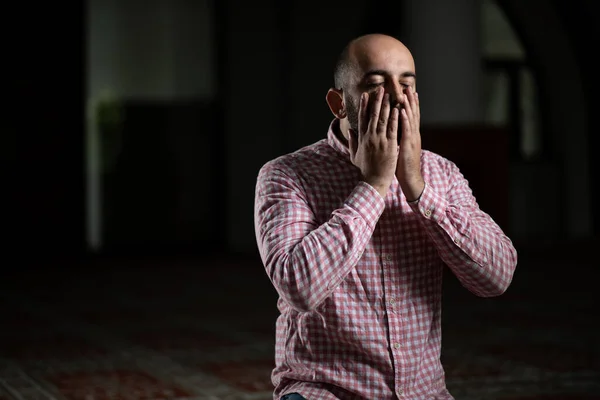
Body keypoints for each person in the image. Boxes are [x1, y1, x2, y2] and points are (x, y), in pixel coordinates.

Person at [254, 33, 518, 400]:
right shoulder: (287, 175)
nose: (395, 96)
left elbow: (498, 277)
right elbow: (299, 287)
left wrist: (418, 188)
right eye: (376, 84)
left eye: (406, 84)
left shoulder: (441, 173)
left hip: (423, 392)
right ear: (339, 104)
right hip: (323, 390)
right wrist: (373, 186)